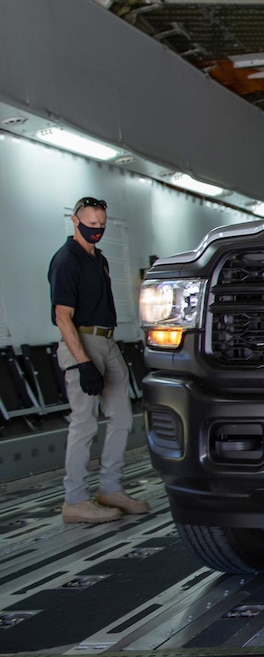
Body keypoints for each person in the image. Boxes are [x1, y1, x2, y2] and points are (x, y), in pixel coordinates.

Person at [48, 196, 150, 523]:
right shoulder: (66, 260)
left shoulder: (100, 259)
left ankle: (110, 488)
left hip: (108, 341)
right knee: (84, 423)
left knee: (122, 417)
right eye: (91, 225)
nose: (97, 230)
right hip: (83, 341)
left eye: (102, 225)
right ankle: (75, 500)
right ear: (75, 221)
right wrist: (83, 363)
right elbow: (62, 317)